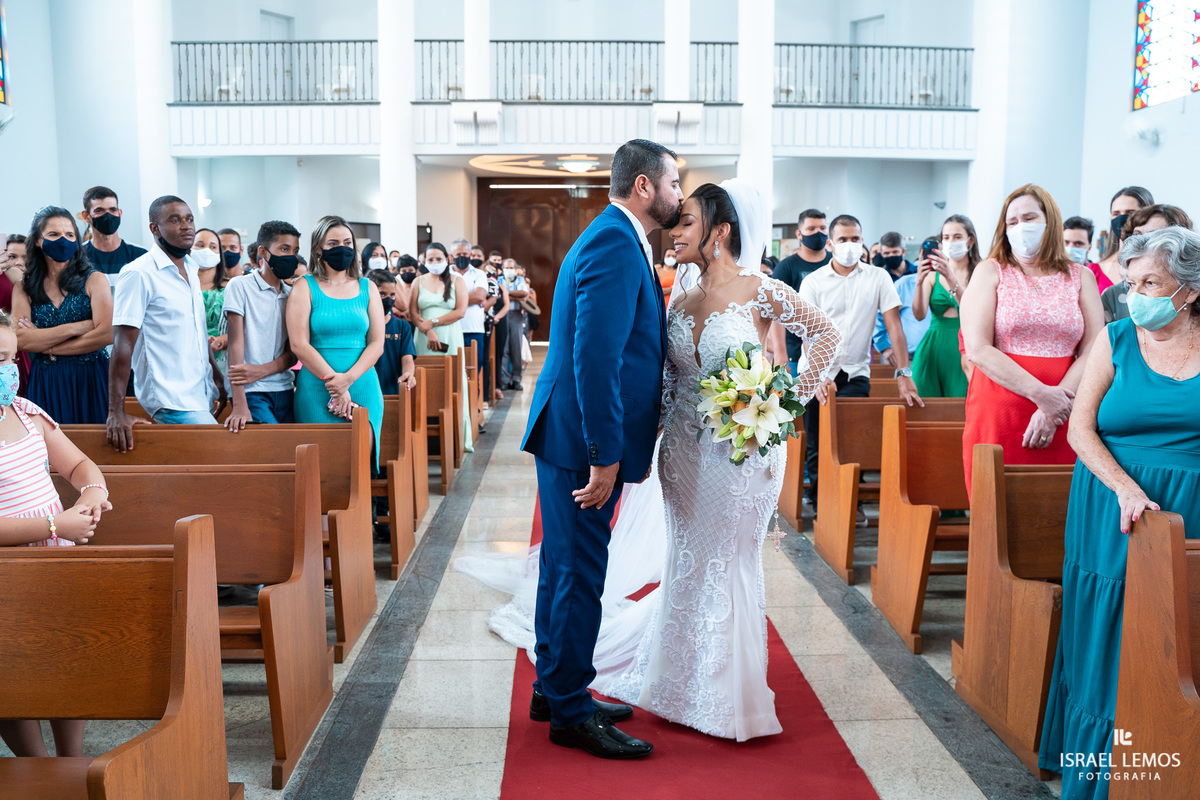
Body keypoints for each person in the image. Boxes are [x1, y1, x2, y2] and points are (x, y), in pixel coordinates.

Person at [519, 139, 681, 759]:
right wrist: (604, 454)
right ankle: (571, 712)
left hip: (566, 429)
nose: (676, 194)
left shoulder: (616, 236)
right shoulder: (616, 241)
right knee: (580, 572)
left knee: (564, 566)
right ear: (644, 186)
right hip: (579, 438)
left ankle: (553, 686)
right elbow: (596, 359)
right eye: (672, 183)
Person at [1038, 227, 1200, 800]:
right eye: (1131, 283)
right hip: (1114, 507)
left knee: (1177, 638)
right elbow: (1081, 430)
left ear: (1191, 290)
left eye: (1151, 283)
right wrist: (1127, 489)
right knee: (1110, 636)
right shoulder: (1115, 338)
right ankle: (1103, 773)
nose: (1136, 296)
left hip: (1190, 511)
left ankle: (1172, 765)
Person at [0, 311, 114, 760]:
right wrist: (55, 525)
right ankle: (36, 763)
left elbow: (79, 465)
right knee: (15, 667)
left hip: (54, 558)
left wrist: (92, 493)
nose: (4, 369)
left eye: (9, 358)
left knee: (70, 658)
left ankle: (71, 758)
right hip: (9, 566)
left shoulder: (26, 411)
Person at [960, 184, 1104, 490]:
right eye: (1012, 222)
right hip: (1002, 404)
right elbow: (977, 347)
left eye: (1029, 218)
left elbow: (1094, 347)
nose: (1020, 227)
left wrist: (1056, 405)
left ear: (1049, 221)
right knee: (996, 506)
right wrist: (1041, 394)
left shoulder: (1081, 276)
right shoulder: (990, 272)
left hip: (1067, 406)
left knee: (1059, 508)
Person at [798, 213, 922, 507]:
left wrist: (904, 373)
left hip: (854, 372)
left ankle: (847, 505)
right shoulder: (814, 282)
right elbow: (807, 334)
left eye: (855, 239)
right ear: (830, 243)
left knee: (850, 439)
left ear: (863, 241)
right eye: (843, 239)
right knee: (818, 442)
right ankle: (821, 505)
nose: (850, 245)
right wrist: (816, 374)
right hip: (817, 372)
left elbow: (895, 326)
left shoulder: (877, 277)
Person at [107, 196, 226, 451]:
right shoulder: (139, 273)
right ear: (155, 228)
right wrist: (115, 412)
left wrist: (215, 375)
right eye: (175, 220)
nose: (186, 226)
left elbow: (196, 331)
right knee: (221, 459)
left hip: (199, 392)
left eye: (189, 219)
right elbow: (122, 345)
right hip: (171, 397)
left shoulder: (191, 270)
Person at [287, 215, 385, 463]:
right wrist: (335, 385)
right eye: (332, 243)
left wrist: (346, 382)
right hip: (316, 386)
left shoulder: (368, 287)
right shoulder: (304, 286)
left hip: (362, 383)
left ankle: (364, 504)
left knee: (359, 461)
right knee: (319, 466)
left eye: (347, 242)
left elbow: (376, 343)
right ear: (319, 249)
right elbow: (299, 344)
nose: (341, 248)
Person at [11, 207, 112, 424]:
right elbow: (20, 339)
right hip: (46, 379)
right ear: (38, 240)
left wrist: (48, 347)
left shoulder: (95, 280)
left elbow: (106, 334)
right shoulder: (24, 287)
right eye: (54, 235)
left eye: (69, 235)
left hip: (91, 377)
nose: (63, 240)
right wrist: (76, 328)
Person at [222, 220, 301, 430]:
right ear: (263, 252)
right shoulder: (240, 286)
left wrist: (261, 370)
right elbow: (235, 344)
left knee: (288, 452)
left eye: (294, 251)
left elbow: (292, 353)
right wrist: (239, 404)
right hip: (251, 391)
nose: (290, 256)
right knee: (274, 453)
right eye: (284, 249)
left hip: (285, 387)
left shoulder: (292, 294)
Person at [410, 242, 473, 451]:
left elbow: (461, 311)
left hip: (450, 336)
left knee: (451, 381)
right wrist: (428, 330)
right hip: (423, 338)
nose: (435, 263)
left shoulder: (457, 280)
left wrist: (434, 322)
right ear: (424, 261)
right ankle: (424, 438)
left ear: (447, 259)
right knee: (425, 381)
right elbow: (413, 312)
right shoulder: (418, 281)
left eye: (439, 259)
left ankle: (455, 434)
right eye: (430, 260)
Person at [911, 214, 981, 397]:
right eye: (946, 237)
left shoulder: (981, 272)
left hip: (968, 345)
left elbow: (974, 312)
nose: (951, 242)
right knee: (927, 407)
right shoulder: (931, 276)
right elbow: (919, 315)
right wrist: (919, 283)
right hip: (934, 347)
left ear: (970, 240)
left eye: (957, 237)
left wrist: (951, 277)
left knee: (964, 404)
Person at [1100, 204, 1193, 323]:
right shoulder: (1113, 295)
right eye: (1137, 235)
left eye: (1153, 236)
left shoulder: (1190, 288)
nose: (1142, 242)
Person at [771, 208, 832, 374]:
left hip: (832, 348)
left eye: (822, 228)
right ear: (799, 234)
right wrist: (780, 353)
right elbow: (776, 313)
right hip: (795, 352)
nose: (818, 233)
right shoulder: (786, 267)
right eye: (811, 229)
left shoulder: (835, 263)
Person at [452, 239, 491, 423]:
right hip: (451, 330)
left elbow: (480, 295)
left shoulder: (480, 274)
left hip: (474, 330)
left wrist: (454, 299)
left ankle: (472, 417)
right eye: (458, 254)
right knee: (453, 375)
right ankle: (457, 416)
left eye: (465, 254)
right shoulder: (447, 274)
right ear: (452, 256)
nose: (462, 257)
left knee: (473, 374)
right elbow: (474, 297)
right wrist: (469, 298)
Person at [1091, 186, 1154, 295]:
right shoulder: (1094, 271)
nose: (1122, 219)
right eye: (1116, 214)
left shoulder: (1158, 266)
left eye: (1130, 213)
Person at [79, 186, 148, 279]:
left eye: (113, 210)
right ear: (86, 216)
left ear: (119, 213)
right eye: (99, 210)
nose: (108, 215)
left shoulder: (141, 256)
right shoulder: (78, 257)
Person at [367, 269, 417, 393]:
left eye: (392, 295)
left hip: (393, 391)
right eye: (382, 294)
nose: (388, 300)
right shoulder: (362, 326)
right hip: (367, 390)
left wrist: (408, 373)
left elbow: (407, 359)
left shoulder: (402, 326)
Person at [192, 228, 231, 371]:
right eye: (200, 245)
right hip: (187, 363)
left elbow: (244, 329)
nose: (206, 250)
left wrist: (221, 341)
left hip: (223, 364)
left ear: (219, 254)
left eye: (213, 246)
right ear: (190, 249)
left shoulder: (231, 288)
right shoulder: (180, 287)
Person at [872, 271, 930, 366]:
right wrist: (884, 346)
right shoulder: (904, 284)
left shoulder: (950, 283)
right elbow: (881, 315)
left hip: (947, 357)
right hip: (910, 360)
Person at [499, 257, 529, 391]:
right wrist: (512, 295)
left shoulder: (520, 280)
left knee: (517, 347)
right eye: (507, 267)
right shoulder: (498, 279)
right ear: (502, 268)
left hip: (516, 315)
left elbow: (523, 293)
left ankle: (516, 379)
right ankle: (504, 379)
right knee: (504, 348)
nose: (509, 270)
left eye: (511, 268)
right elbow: (498, 297)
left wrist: (506, 293)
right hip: (502, 315)